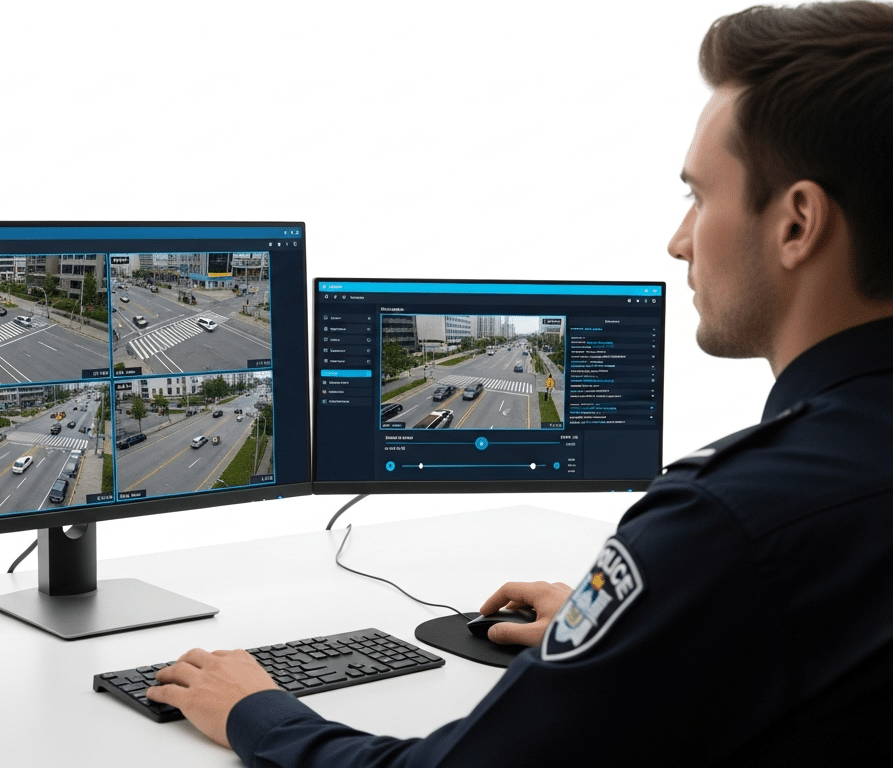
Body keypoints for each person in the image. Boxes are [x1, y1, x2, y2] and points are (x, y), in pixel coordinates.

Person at [146, 3, 893, 765]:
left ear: (798, 223)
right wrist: (639, 628)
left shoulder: (728, 523)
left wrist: (258, 713)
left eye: (698, 197)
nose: (676, 242)